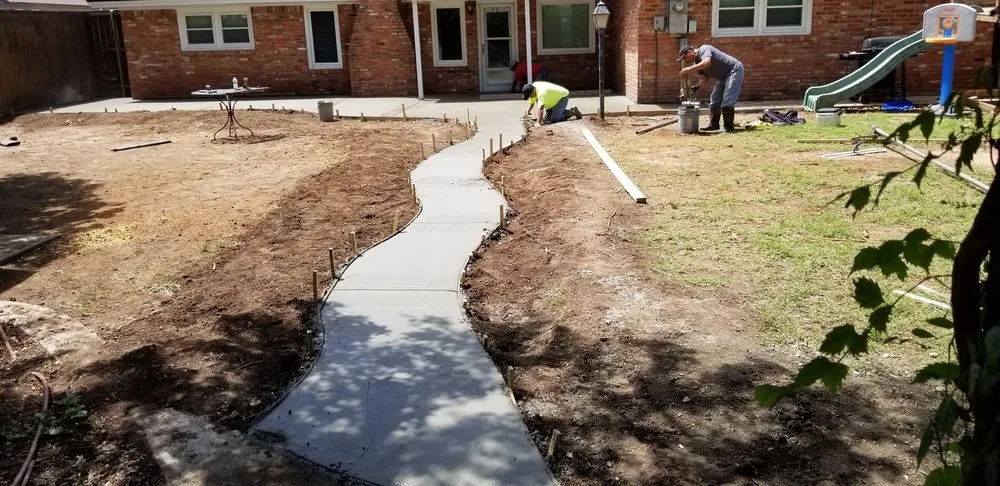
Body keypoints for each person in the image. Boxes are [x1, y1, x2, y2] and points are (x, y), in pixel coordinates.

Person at [678, 44, 744, 132]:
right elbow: (703, 79)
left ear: (689, 52)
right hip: (723, 77)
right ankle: (714, 125)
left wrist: (690, 69)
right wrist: (695, 88)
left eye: (685, 57)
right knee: (715, 99)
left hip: (734, 70)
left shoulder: (704, 49)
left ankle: (728, 127)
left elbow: (707, 62)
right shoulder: (697, 64)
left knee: (728, 99)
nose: (686, 61)